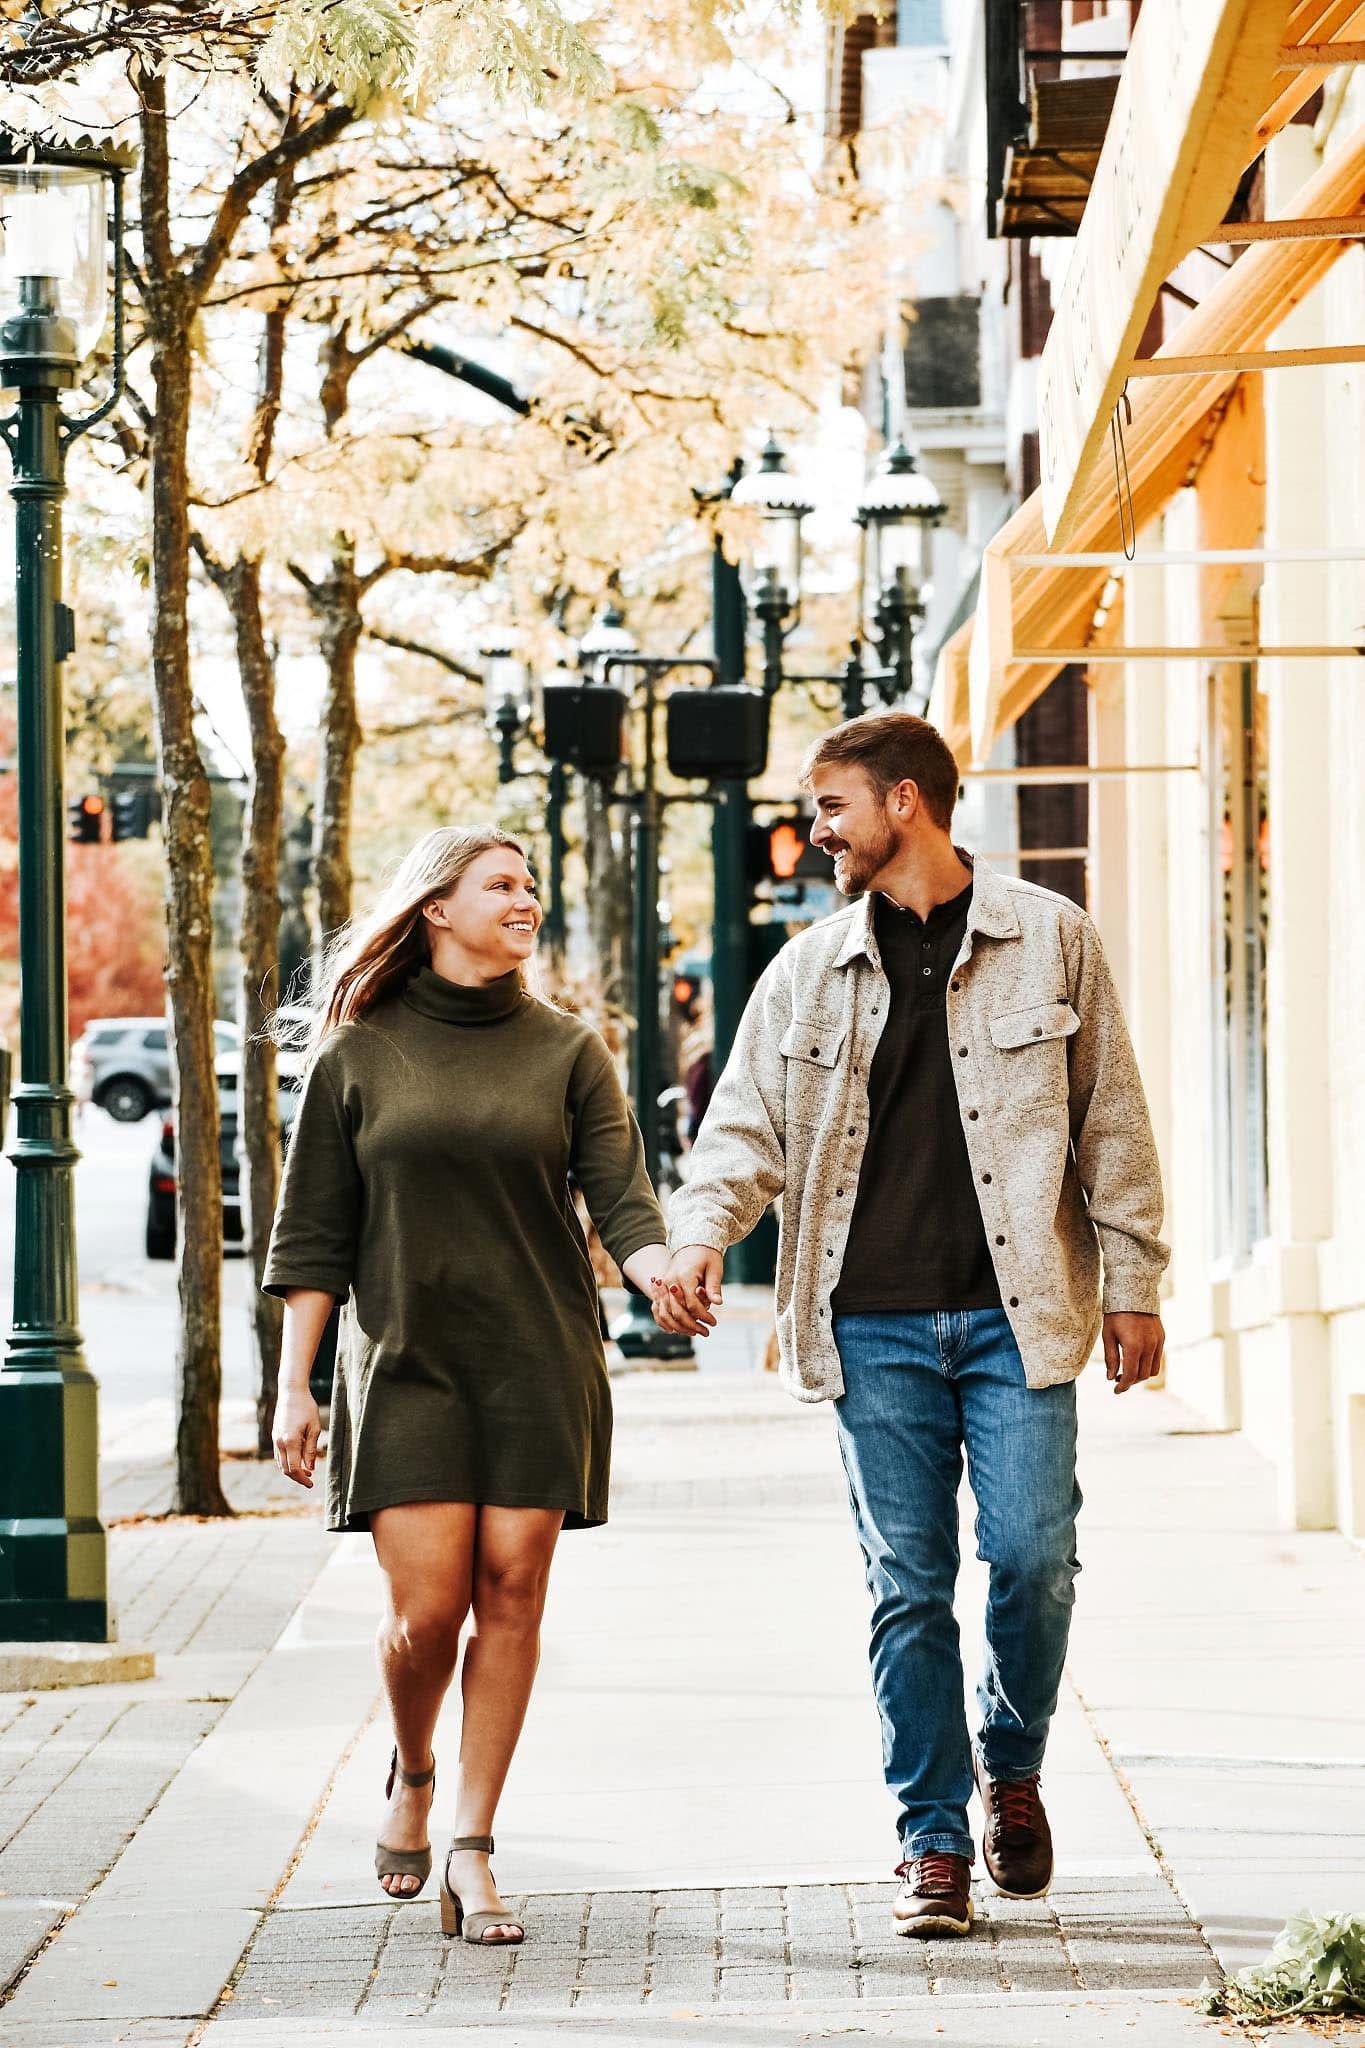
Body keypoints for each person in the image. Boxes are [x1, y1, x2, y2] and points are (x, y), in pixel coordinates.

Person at [654, 713, 1168, 1939]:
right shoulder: (808, 969)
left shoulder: (1052, 937)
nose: (815, 831)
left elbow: (1112, 1118)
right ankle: (932, 1837)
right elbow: (741, 1128)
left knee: (1036, 1555)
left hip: (1018, 1314)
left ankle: (1013, 1764)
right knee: (907, 1585)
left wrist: (1137, 1278)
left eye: (830, 806)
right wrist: (698, 1235)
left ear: (903, 801)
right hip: (869, 1324)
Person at [265, 826, 671, 1946]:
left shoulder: (568, 1050)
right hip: (404, 1360)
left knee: (513, 1589)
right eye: (501, 883)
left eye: (531, 883)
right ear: (436, 907)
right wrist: (294, 1386)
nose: (525, 897)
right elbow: (313, 1236)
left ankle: (475, 1847)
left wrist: (660, 1275)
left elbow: (622, 1199)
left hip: (538, 1353)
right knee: (427, 1611)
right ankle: (412, 1768)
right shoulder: (356, 1057)